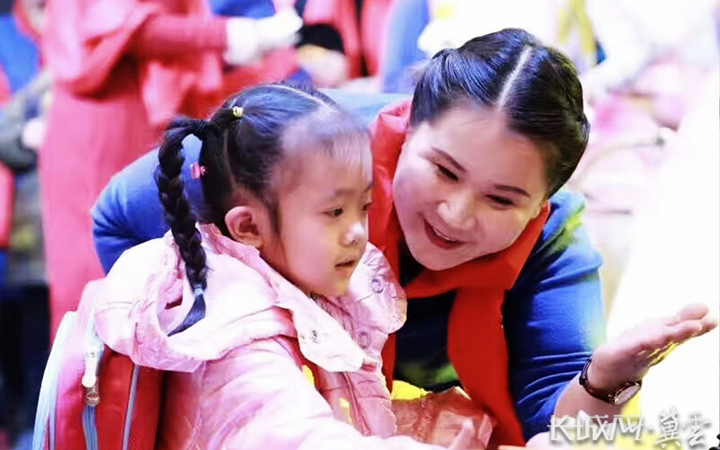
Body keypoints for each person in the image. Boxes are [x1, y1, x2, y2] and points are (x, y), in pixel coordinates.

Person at [91, 29, 717, 447]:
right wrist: (189, 320)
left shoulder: (551, 241)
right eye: (443, 170)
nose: (456, 213)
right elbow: (118, 215)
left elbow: (552, 432)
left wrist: (604, 381)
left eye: (502, 199)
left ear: (540, 204)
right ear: (407, 124)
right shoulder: (305, 153)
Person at [85, 82, 493, 449]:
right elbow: (301, 436)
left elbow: (350, 415)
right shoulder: (239, 338)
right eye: (334, 212)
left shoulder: (300, 290)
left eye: (365, 206)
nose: (357, 232)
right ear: (248, 227)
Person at [39, 0, 302, 337]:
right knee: (106, 283)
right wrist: (235, 34)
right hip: (104, 125)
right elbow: (122, 26)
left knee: (149, 277)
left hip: (133, 115)